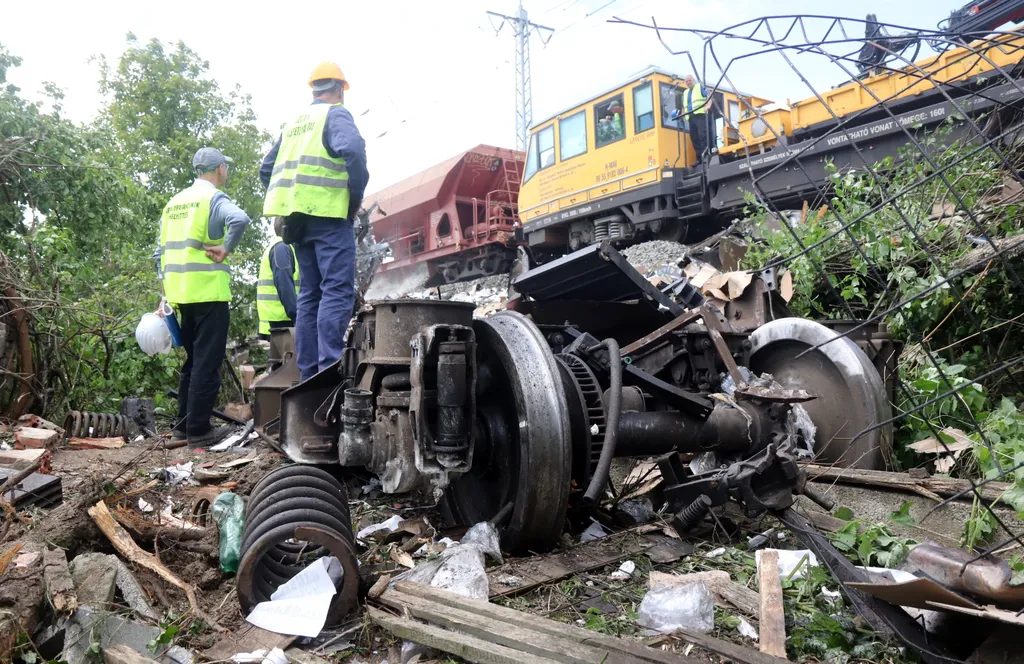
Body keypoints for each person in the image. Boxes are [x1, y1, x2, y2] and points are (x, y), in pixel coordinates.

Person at [260, 62, 369, 381]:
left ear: (314, 89)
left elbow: (266, 170)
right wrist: (354, 199)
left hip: (297, 222)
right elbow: (354, 152)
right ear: (338, 89)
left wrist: (286, 201)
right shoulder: (335, 115)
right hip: (330, 217)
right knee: (336, 290)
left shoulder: (294, 123)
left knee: (311, 292)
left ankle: (309, 374)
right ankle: (328, 369)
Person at [155, 147, 251, 447]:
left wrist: (164, 289)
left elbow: (160, 252)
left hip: (181, 295)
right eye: (227, 168)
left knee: (193, 362)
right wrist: (226, 248)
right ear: (221, 168)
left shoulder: (173, 204)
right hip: (209, 291)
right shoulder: (213, 199)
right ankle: (198, 432)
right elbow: (240, 219)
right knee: (207, 364)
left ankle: (183, 427)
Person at [257, 217, 300, 340]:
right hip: (282, 323)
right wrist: (299, 318)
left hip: (280, 321)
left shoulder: (279, 247)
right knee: (289, 359)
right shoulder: (282, 248)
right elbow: (284, 286)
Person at [673, 75, 710, 164]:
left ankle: (706, 156)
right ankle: (699, 159)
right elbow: (684, 106)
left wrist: (708, 105)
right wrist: (681, 115)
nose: (688, 82)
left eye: (689, 80)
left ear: (693, 80)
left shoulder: (699, 86)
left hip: (700, 114)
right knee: (694, 138)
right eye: (686, 81)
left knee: (702, 135)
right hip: (691, 117)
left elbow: (709, 95)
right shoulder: (685, 92)